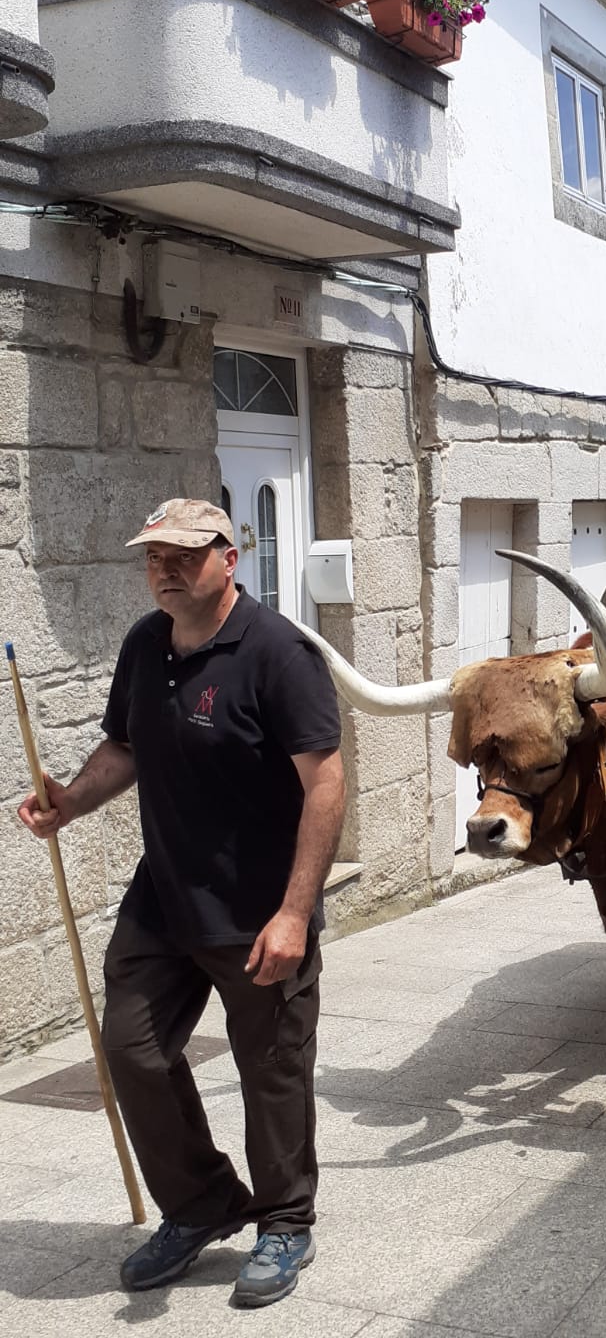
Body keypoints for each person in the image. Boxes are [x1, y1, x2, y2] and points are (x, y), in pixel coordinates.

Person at [16, 499, 345, 1307]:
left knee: (270, 1068)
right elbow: (126, 745)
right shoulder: (145, 644)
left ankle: (285, 1221)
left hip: (258, 906)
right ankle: (201, 1204)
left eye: (184, 555)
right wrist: (69, 802)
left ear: (229, 559)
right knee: (131, 1048)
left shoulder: (279, 654)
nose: (165, 569)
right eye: (153, 556)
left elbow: (326, 783)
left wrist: (295, 913)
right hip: (163, 896)